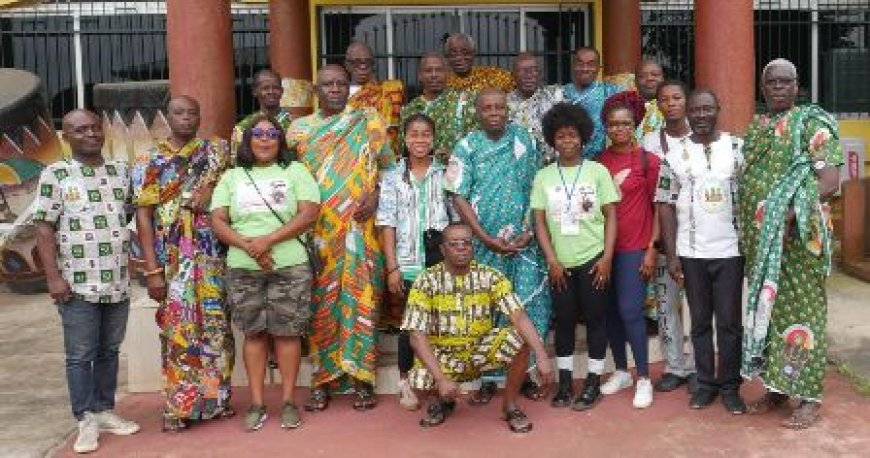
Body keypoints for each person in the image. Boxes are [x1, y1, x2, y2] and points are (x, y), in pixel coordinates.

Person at [739, 58, 843, 430]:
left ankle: (809, 398)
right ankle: (778, 387)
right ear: (763, 87)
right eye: (772, 82)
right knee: (770, 316)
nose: (778, 87)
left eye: (786, 81)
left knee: (804, 317)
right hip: (762, 248)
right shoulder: (757, 127)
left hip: (798, 245)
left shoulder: (811, 123)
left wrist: (785, 214)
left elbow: (828, 181)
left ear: (797, 87)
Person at [286, 65, 395, 412]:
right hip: (318, 234)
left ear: (348, 88)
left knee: (363, 299)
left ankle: (363, 378)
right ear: (316, 90)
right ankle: (324, 379)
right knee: (322, 304)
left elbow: (391, 168)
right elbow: (288, 181)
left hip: (362, 231)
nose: (334, 89)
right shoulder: (298, 131)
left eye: (340, 84)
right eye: (327, 85)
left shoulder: (369, 121)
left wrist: (376, 195)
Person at [33, 109, 140, 454]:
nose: (91, 134)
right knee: (80, 355)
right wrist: (53, 277)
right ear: (66, 136)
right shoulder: (56, 174)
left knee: (109, 350)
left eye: (95, 127)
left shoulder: (120, 172)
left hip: (118, 281)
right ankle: (85, 419)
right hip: (76, 284)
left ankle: (104, 409)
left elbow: (127, 218)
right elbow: (44, 228)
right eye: (80, 130)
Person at [211, 115, 321, 431]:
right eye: (257, 135)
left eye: (271, 134)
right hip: (243, 266)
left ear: (280, 140)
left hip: (289, 263)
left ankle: (287, 401)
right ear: (247, 142)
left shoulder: (295, 171)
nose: (264, 140)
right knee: (254, 333)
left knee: (288, 333)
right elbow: (218, 220)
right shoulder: (232, 177)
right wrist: (249, 246)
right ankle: (257, 403)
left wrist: (267, 241)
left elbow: (309, 213)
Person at [134, 96, 234, 432]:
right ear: (167, 116)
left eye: (193, 112)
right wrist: (152, 270)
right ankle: (179, 406)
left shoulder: (216, 153)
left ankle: (215, 400)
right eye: (179, 112)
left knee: (216, 329)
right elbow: (144, 217)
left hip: (211, 255)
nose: (186, 118)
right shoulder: (150, 160)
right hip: (172, 259)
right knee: (178, 331)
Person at [444, 88, 551, 404]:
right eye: (487, 108)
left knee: (527, 308)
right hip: (483, 244)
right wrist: (483, 237)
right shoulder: (465, 146)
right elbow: (457, 195)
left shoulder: (525, 141)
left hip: (523, 245)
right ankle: (489, 377)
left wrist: (530, 231)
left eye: (499, 107)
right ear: (478, 112)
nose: (494, 112)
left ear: (508, 110)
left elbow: (537, 187)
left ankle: (525, 374)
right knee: (485, 311)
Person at [402, 223, 555, 433]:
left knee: (520, 339)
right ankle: (442, 400)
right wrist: (440, 378)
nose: (461, 248)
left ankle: (510, 406)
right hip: (443, 356)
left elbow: (518, 315)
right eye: (454, 244)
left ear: (473, 247)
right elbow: (416, 337)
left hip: (478, 350)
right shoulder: (425, 281)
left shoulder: (489, 276)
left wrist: (541, 355)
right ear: (442, 250)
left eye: (466, 243)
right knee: (419, 385)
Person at [656, 89, 747, 414]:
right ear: (688, 114)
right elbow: (665, 205)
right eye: (696, 110)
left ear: (718, 109)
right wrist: (672, 253)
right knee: (699, 323)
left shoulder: (737, 148)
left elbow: (750, 195)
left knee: (730, 323)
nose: (701, 115)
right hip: (691, 253)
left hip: (730, 251)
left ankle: (731, 386)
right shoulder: (674, 155)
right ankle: (706, 384)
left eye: (708, 108)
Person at [533, 102, 619, 410]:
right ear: (552, 140)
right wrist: (552, 260)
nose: (567, 142)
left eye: (572, 135)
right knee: (565, 322)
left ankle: (593, 382)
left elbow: (611, 216)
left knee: (596, 320)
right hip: (560, 264)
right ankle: (566, 382)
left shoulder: (597, 172)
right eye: (560, 136)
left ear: (582, 137)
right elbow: (539, 221)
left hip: (594, 260)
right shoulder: (543, 176)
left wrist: (607, 258)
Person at [377, 113, 453, 411]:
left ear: (433, 139)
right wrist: (393, 267)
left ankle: (437, 380)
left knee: (439, 322)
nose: (420, 140)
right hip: (408, 262)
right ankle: (404, 382)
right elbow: (387, 224)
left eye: (425, 134)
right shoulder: (393, 177)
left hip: (439, 260)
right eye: (414, 134)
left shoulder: (445, 174)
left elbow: (455, 218)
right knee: (410, 325)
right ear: (405, 139)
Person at [596, 91, 657, 409]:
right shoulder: (597, 162)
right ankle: (621, 370)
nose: (619, 129)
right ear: (605, 127)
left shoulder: (648, 160)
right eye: (613, 124)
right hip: (603, 250)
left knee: (631, 311)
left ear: (635, 125)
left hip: (635, 247)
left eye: (625, 124)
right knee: (610, 314)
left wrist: (652, 249)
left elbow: (659, 207)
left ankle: (644, 377)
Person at [641, 80, 698, 393]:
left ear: (686, 101)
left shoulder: (700, 138)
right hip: (662, 233)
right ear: (658, 105)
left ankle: (699, 366)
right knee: (666, 304)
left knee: (698, 307)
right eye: (665, 99)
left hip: (698, 236)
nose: (672, 103)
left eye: (677, 97)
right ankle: (675, 366)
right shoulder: (649, 141)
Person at [345, 41, 405, 154]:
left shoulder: (389, 92)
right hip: (348, 156)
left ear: (373, 65)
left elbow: (394, 128)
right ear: (347, 65)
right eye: (356, 62)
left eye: (367, 62)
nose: (363, 67)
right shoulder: (339, 94)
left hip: (383, 156)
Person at [562, 47, 623, 159]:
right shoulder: (559, 94)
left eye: (591, 64)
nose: (585, 69)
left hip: (601, 161)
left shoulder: (611, 92)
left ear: (598, 68)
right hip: (566, 161)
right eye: (580, 63)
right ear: (573, 66)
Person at [507, 52, 563, 164]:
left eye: (533, 70)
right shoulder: (504, 104)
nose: (529, 75)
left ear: (540, 74)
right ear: (513, 74)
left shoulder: (555, 98)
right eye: (522, 70)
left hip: (551, 167)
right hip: (517, 168)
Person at [231, 68, 293, 164]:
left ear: (282, 91)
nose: (271, 92)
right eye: (265, 88)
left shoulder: (296, 124)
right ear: (255, 91)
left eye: (276, 88)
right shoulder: (243, 127)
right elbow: (237, 162)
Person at [443, 32, 514, 93]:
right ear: (447, 57)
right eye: (453, 54)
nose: (459, 58)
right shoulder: (442, 82)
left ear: (473, 53)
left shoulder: (491, 75)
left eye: (465, 53)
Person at [635, 59, 665, 140]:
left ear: (663, 78)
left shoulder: (674, 106)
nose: (649, 78)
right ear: (635, 81)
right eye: (642, 76)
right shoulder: (627, 106)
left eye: (655, 74)